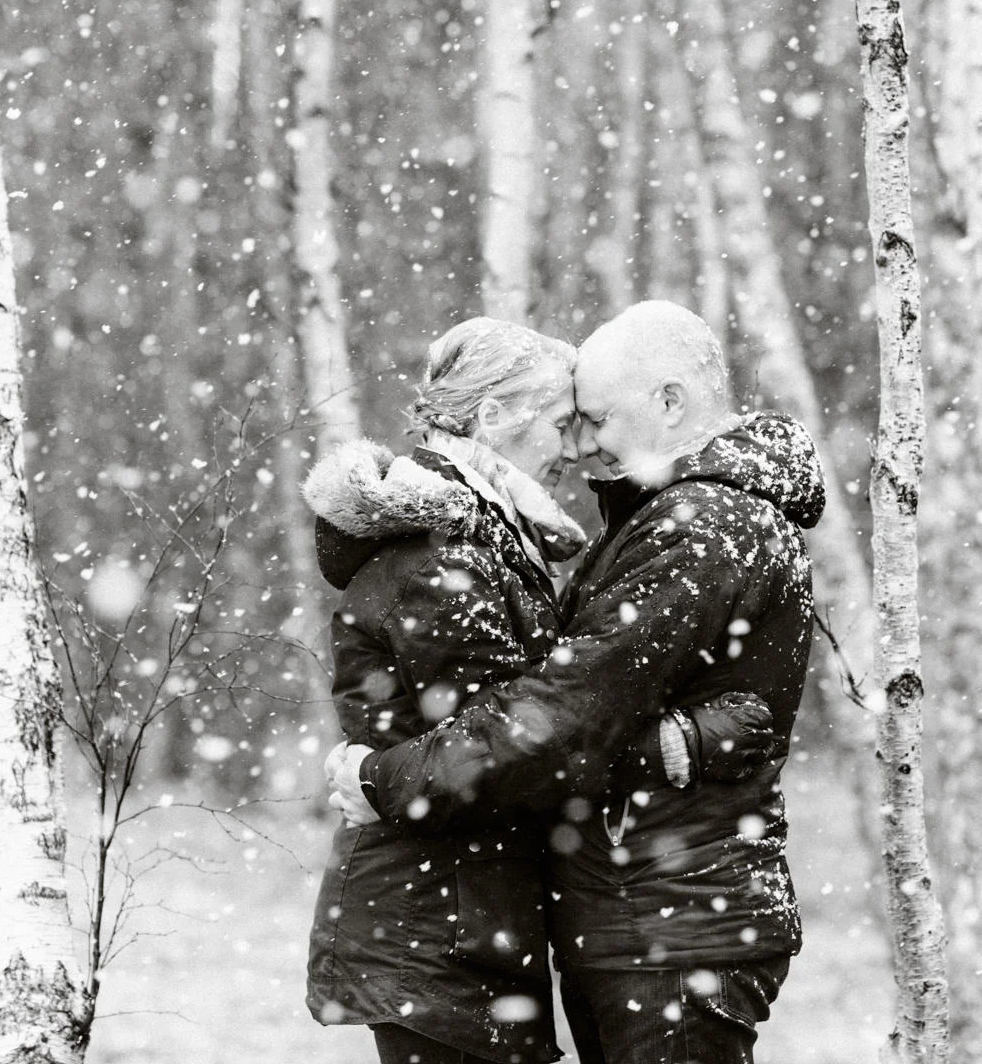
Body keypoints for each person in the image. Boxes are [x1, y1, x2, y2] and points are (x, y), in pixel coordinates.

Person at [328, 300, 825, 1064]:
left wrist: (380, 777)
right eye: (570, 421)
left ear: (667, 401)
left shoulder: (699, 523)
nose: (583, 445)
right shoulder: (662, 517)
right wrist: (681, 742)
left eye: (592, 417)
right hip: (636, 919)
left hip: (667, 920)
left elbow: (559, 717)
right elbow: (558, 710)